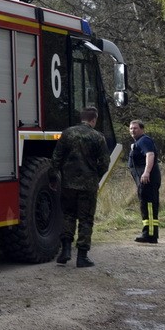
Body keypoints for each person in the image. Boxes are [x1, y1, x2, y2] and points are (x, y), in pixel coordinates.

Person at [51, 106, 110, 268]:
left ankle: (65, 251)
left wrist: (53, 177)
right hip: (88, 185)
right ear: (94, 119)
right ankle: (82, 256)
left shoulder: (67, 133)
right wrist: (96, 176)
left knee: (68, 215)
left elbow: (56, 158)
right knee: (86, 219)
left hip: (68, 183)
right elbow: (105, 163)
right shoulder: (98, 137)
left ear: (81, 118)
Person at [129, 120, 162, 243]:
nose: (132, 130)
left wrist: (147, 172)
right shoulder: (137, 142)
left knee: (149, 205)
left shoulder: (144, 140)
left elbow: (150, 155)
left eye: (135, 128)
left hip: (148, 179)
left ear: (142, 129)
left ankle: (150, 235)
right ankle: (147, 232)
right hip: (142, 180)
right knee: (144, 204)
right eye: (131, 128)